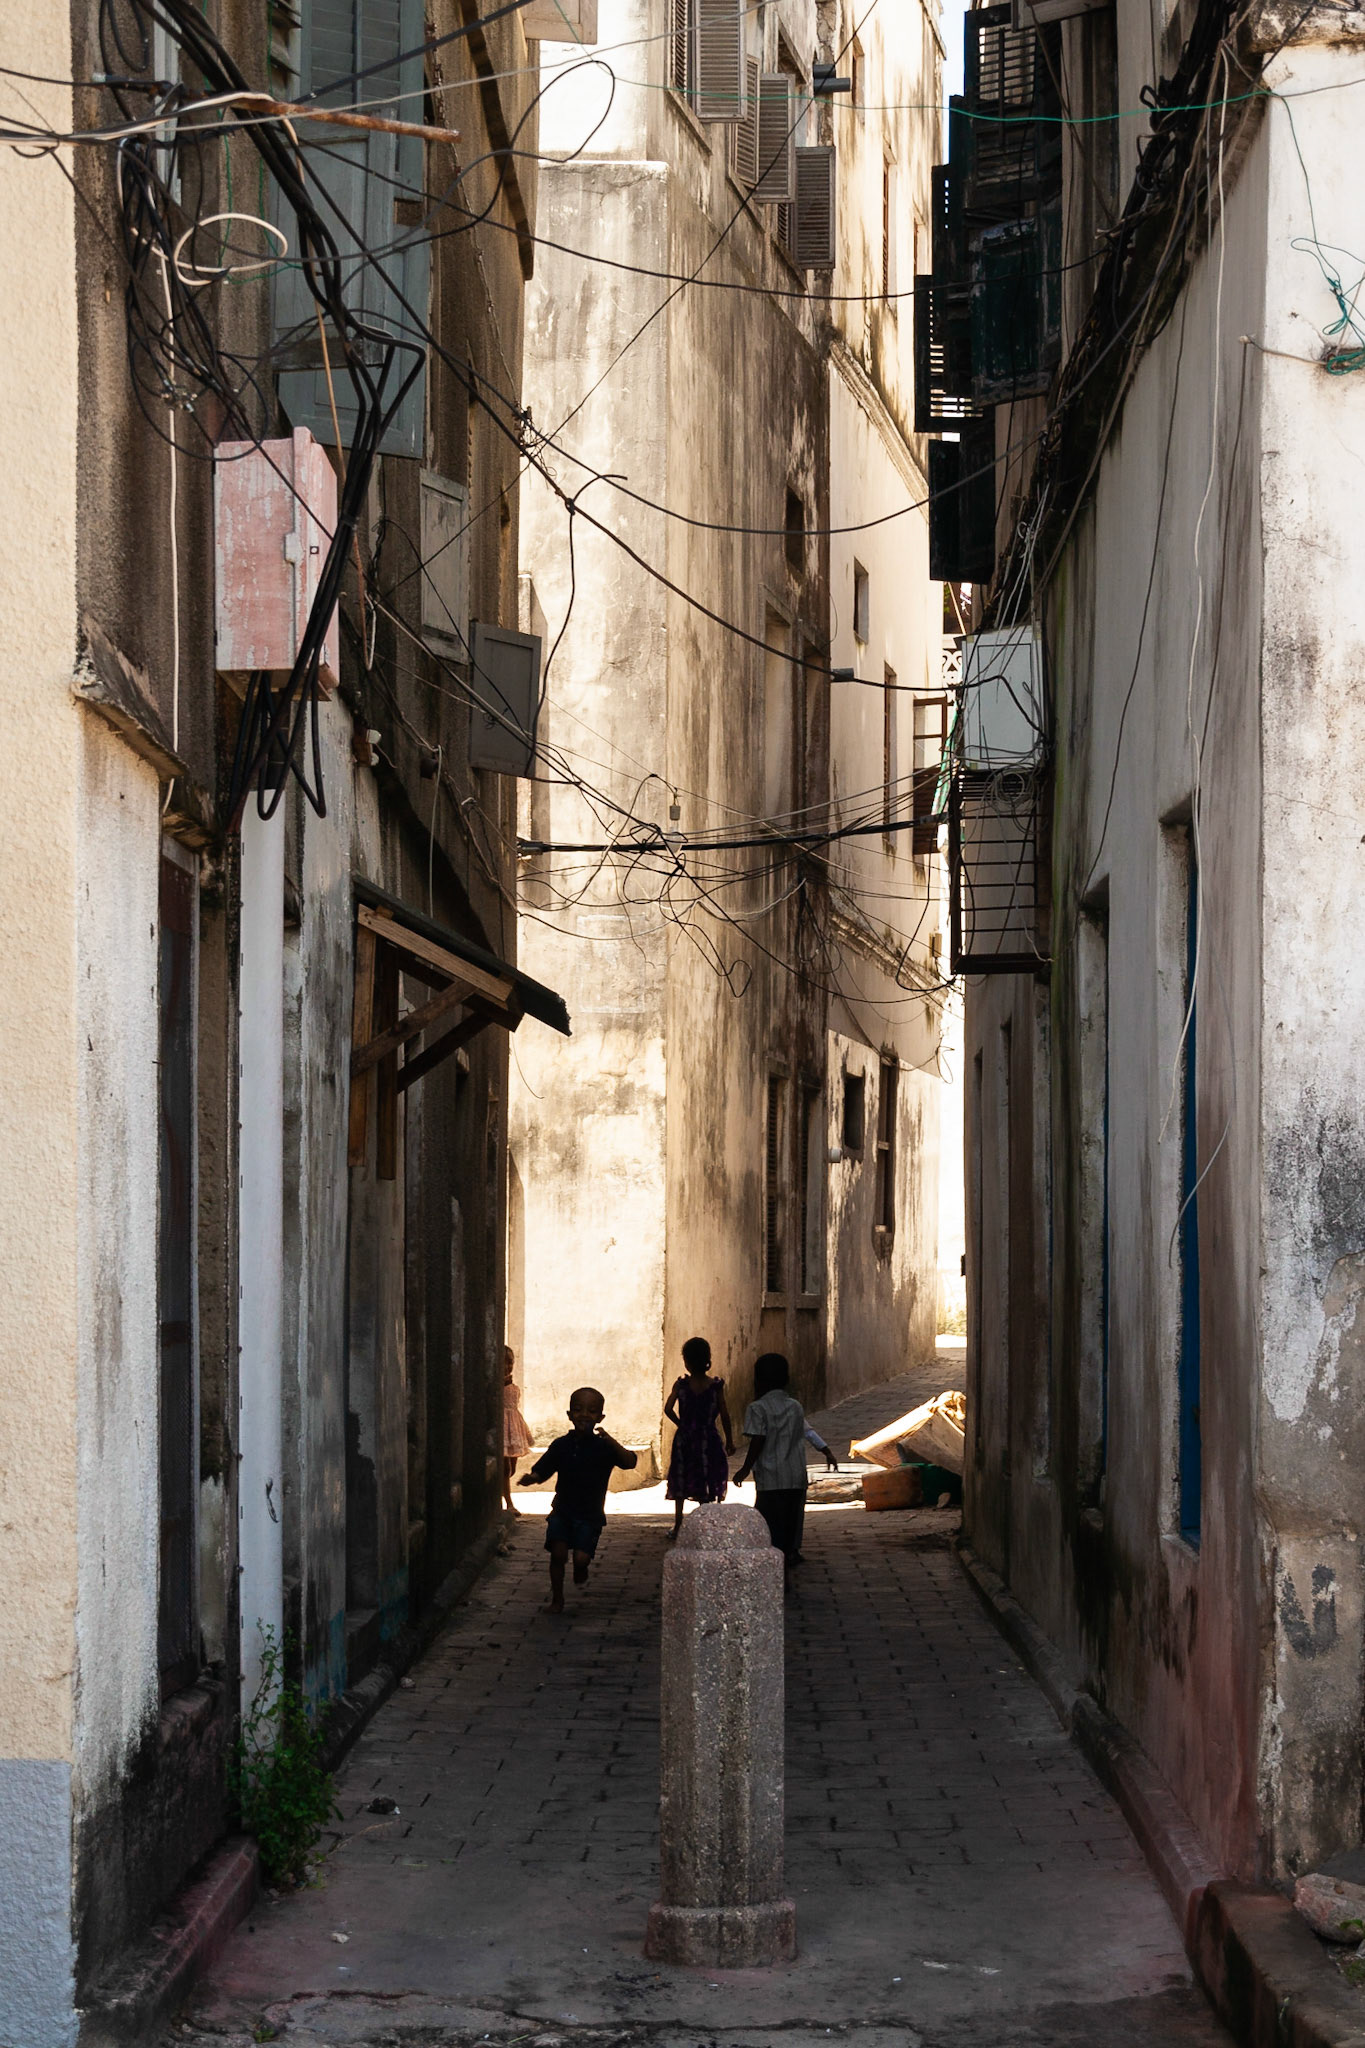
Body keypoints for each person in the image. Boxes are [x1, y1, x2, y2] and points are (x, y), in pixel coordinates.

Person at [519, 1387, 637, 1610]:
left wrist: (611, 1441)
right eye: (578, 1410)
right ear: (569, 1415)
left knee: (581, 1558)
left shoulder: (604, 1447)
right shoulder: (561, 1445)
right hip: (563, 1510)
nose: (584, 1415)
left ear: (600, 1417)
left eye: (591, 1411)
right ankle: (557, 1598)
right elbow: (545, 1467)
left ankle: (581, 1568)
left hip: (590, 1515)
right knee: (558, 1554)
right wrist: (532, 1477)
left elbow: (630, 1462)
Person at [731, 1352, 837, 1568]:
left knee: (769, 1518)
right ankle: (791, 1551)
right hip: (795, 1475)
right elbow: (808, 1431)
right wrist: (826, 1450)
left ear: (758, 1381)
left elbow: (758, 1440)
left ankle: (772, 1555)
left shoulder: (757, 1408)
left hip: (771, 1477)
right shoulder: (795, 1406)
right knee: (793, 1518)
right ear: (786, 1379)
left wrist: (745, 1468)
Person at [664, 1335, 735, 1538]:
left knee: (681, 1476)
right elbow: (725, 1413)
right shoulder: (715, 1386)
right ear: (707, 1359)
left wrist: (681, 1424)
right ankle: (707, 1524)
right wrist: (729, 1440)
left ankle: (678, 1525)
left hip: (685, 1438)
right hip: (707, 1437)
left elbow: (668, 1409)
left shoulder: (681, 1386)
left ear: (686, 1361)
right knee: (707, 1474)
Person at [502, 1345, 533, 1514]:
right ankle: (509, 1503)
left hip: (513, 1428)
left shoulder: (511, 1384)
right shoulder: (495, 1385)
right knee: (505, 1468)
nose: (507, 1367)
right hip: (502, 1429)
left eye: (510, 1363)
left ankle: (502, 1494)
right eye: (504, 1363)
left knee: (511, 1468)